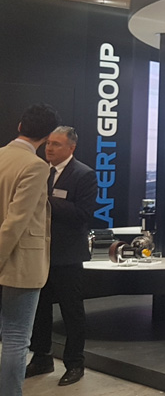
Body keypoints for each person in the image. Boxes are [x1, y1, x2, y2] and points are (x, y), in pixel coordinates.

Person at [26, 127, 98, 387]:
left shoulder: (84, 174)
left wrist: (46, 200)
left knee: (71, 312)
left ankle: (75, 363)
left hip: (67, 256)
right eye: (48, 143)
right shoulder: (39, 171)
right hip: (39, 254)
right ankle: (42, 357)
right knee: (40, 310)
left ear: (71, 148)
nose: (50, 148)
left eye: (56, 144)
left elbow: (83, 214)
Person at [0, 104, 60, 396]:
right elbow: (16, 221)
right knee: (15, 338)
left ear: (20, 126)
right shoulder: (36, 166)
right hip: (19, 262)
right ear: (47, 136)